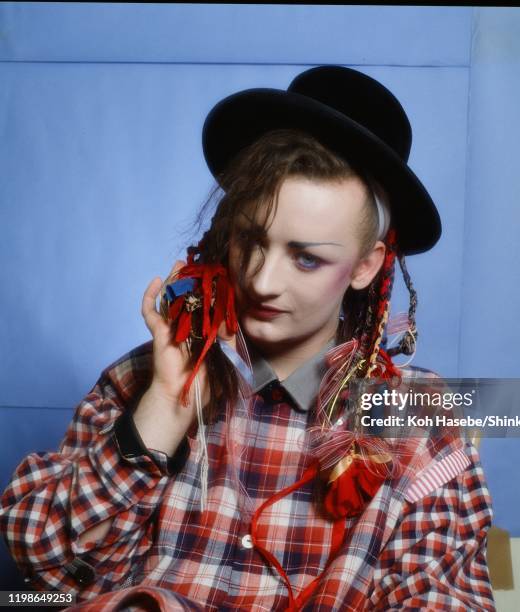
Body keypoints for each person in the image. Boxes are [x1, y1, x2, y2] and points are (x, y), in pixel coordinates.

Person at [0, 66, 495, 611]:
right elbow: (46, 573)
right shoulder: (138, 378)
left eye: (306, 258)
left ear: (365, 266)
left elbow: (443, 600)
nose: (261, 281)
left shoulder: (416, 419)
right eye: (250, 241)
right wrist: (163, 409)